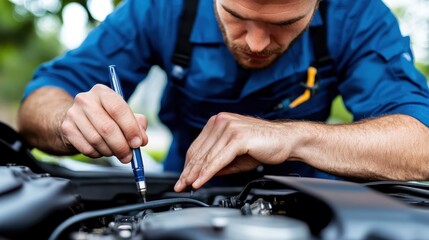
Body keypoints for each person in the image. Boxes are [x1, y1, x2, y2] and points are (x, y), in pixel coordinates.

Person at [17, 0, 429, 193]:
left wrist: (293, 138)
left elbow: (421, 144)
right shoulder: (159, 8)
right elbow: (39, 102)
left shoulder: (357, 16)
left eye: (286, 23)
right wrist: (69, 119)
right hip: (180, 191)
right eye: (236, 17)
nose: (255, 42)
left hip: (305, 198)